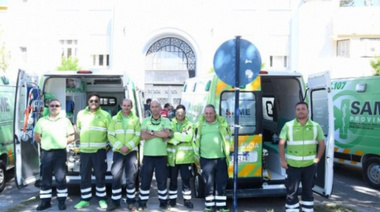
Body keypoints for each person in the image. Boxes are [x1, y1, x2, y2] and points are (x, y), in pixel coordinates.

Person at [278, 101, 325, 212]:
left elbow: (322, 144)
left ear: (308, 111)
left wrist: (317, 159)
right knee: (291, 192)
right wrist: (283, 161)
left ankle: (307, 210)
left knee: (308, 191)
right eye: (298, 109)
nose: (300, 111)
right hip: (292, 166)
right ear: (295, 111)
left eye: (303, 109)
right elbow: (281, 143)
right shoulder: (288, 126)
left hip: (309, 166)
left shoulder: (315, 126)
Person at [34, 99, 75, 211]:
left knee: (60, 178)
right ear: (48, 107)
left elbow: (71, 136)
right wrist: (45, 143)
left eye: (57, 105)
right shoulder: (42, 121)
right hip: (46, 153)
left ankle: (61, 202)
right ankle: (45, 202)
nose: (54, 107)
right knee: (45, 178)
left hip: (60, 153)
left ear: (60, 107)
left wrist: (61, 142)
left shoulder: (65, 121)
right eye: (52, 105)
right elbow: (37, 136)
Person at [74, 93, 112, 209]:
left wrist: (109, 146)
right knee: (85, 176)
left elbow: (110, 133)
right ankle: (85, 199)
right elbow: (78, 129)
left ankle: (102, 199)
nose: (93, 103)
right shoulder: (81, 114)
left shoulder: (105, 115)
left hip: (99, 151)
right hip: (85, 151)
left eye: (96, 101)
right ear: (88, 102)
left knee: (100, 175)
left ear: (99, 102)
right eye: (91, 101)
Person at [193, 104, 232, 212]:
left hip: (220, 158)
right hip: (205, 159)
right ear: (204, 114)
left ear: (215, 113)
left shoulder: (221, 124)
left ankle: (221, 206)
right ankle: (209, 205)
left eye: (211, 113)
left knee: (221, 183)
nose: (208, 115)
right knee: (208, 183)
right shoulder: (200, 125)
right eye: (206, 113)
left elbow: (229, 138)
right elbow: (194, 140)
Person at [107, 99, 141, 211]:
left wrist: (128, 146)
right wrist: (121, 146)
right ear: (121, 106)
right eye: (124, 105)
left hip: (131, 152)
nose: (126, 107)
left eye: (128, 105)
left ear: (131, 106)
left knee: (130, 178)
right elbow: (110, 136)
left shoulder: (135, 120)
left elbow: (138, 135)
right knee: (116, 177)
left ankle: (131, 203)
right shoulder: (114, 119)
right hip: (118, 152)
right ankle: (115, 202)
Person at [138, 100, 172, 211]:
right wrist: (159, 133)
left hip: (161, 155)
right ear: (150, 108)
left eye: (157, 106)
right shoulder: (145, 120)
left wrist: (151, 132)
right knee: (145, 180)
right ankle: (142, 203)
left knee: (161, 181)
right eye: (152, 106)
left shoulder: (166, 120)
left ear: (160, 107)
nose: (155, 108)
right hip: (148, 155)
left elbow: (167, 134)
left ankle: (163, 203)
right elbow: (143, 136)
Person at [167, 104, 194, 209]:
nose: (179, 114)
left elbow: (188, 137)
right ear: (175, 113)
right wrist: (179, 137)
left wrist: (174, 135)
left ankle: (187, 201)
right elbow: (167, 137)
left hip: (185, 159)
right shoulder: (170, 123)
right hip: (173, 158)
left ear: (185, 113)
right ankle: (172, 201)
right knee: (173, 181)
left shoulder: (190, 124)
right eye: (178, 113)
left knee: (186, 181)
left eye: (181, 113)